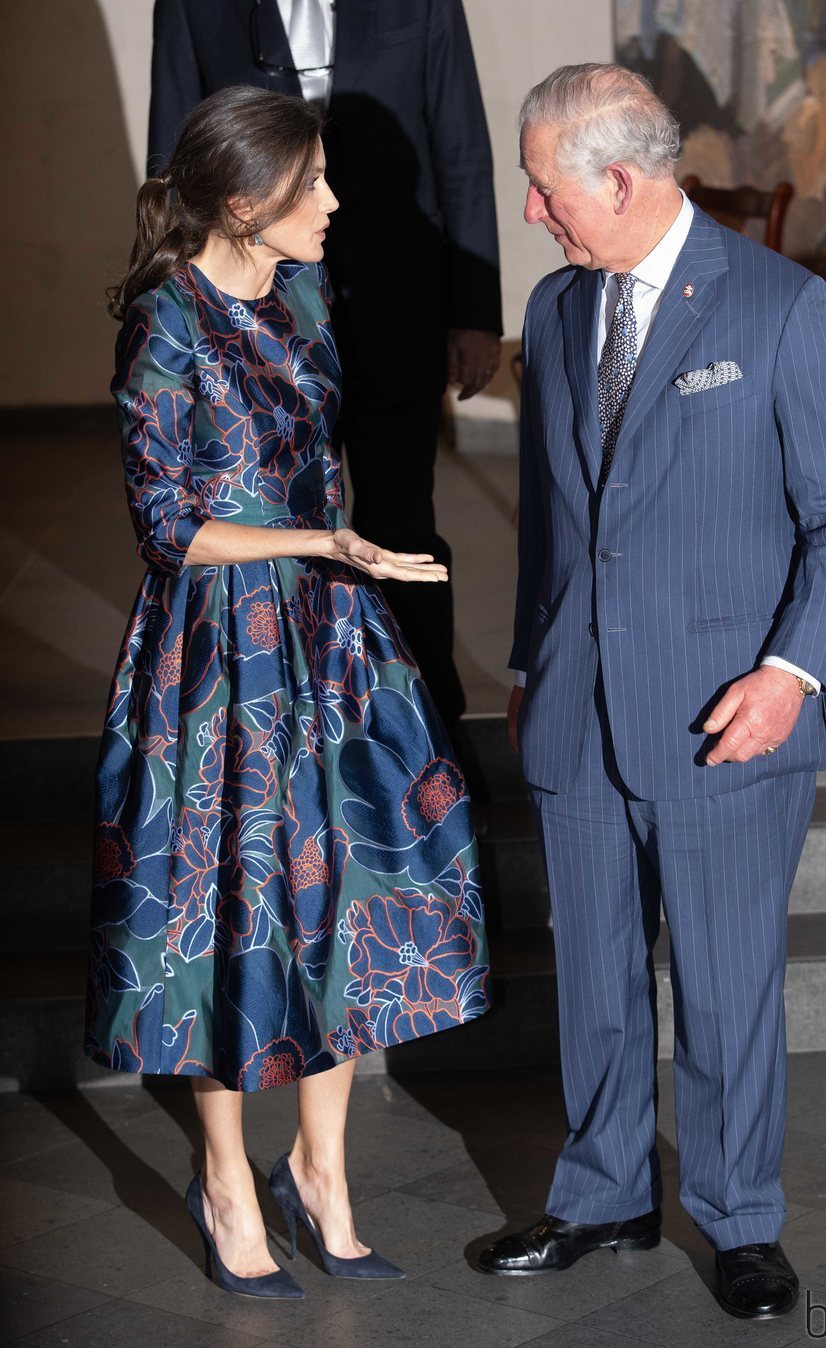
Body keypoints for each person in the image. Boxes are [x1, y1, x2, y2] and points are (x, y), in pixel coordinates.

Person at [477, 65, 826, 1319]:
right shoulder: (551, 314)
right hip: (576, 704)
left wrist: (789, 673)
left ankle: (738, 1218)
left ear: (618, 176)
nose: (535, 213)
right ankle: (602, 1191)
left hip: (727, 716)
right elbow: (556, 522)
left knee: (720, 984)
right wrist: (524, 662)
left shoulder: (779, 307)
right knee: (596, 978)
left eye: (545, 190)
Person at [85, 85, 490, 1299]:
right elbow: (169, 526)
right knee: (223, 907)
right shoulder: (165, 317)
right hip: (219, 654)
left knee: (350, 899)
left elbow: (323, 463)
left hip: (329, 638)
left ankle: (322, 1173)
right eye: (310, 185)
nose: (332, 202)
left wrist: (340, 550)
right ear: (243, 203)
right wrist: (321, 544)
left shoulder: (307, 290)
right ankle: (224, 1175)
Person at [147, 0, 504, 727]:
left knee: (404, 518)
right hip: (252, 318)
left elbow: (461, 144)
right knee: (275, 516)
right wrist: (183, 307)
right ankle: (293, 719)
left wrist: (475, 309)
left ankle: (427, 721)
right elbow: (172, 152)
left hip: (397, 301)